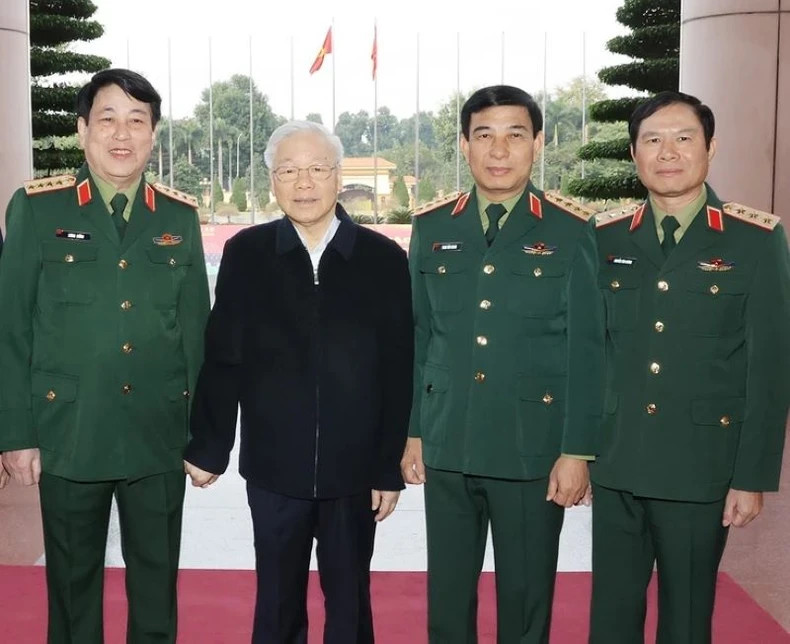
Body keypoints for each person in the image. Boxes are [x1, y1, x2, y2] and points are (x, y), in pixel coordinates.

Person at [183, 120, 413, 644]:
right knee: (277, 601)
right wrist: (208, 446)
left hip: (355, 474)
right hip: (273, 468)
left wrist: (387, 466)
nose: (304, 183)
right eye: (289, 171)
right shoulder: (247, 253)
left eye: (316, 169)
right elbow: (224, 356)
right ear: (272, 182)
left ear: (337, 178)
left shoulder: (381, 259)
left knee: (351, 601)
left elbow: (399, 369)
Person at [0, 68, 210, 643]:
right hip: (69, 430)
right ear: (82, 129)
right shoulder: (39, 209)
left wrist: (204, 436)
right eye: (108, 118)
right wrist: (16, 434)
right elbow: (11, 327)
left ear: (154, 134)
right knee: (71, 590)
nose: (123, 134)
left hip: (158, 434)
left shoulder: (177, 217)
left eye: (137, 121)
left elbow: (196, 334)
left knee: (156, 588)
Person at [401, 85, 605, 643]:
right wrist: (414, 430)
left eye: (515, 135)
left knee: (524, 600)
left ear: (537, 144)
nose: (499, 150)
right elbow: (419, 335)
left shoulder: (570, 229)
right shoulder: (434, 225)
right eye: (484, 135)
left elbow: (588, 350)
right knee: (448, 595)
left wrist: (577, 450)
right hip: (449, 441)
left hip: (532, 448)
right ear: (464, 145)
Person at [589, 90, 790, 644]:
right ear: (634, 154)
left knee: (686, 618)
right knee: (610, 616)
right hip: (617, 457)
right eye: (652, 140)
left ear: (710, 149)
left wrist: (751, 478)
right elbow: (589, 353)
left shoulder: (755, 239)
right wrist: (577, 450)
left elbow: (769, 369)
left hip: (701, 466)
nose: (668, 152)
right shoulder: (604, 238)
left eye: (683, 138)